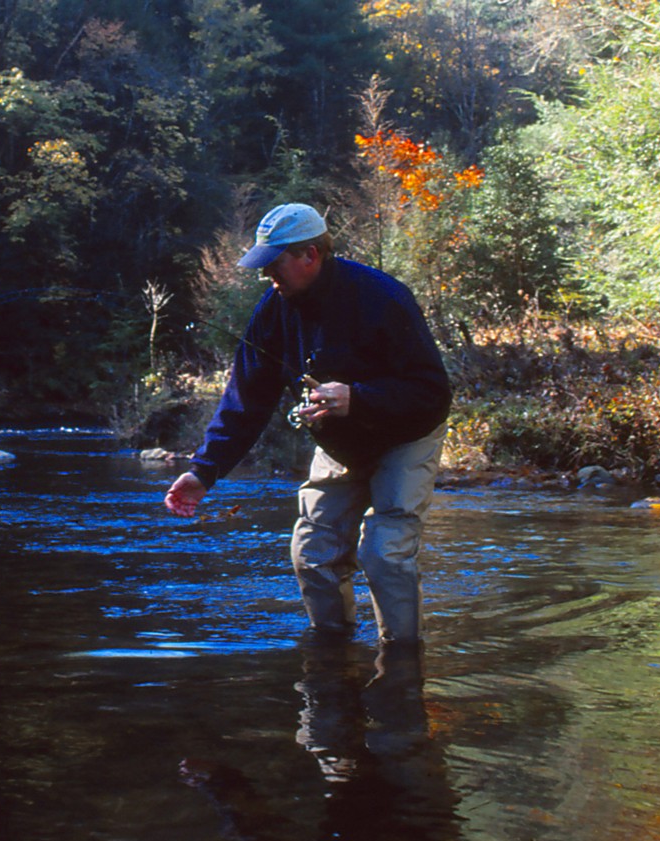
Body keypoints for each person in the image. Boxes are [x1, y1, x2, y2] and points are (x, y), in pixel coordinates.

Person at [164, 203, 451, 643]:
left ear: (310, 255)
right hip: (341, 445)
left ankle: (401, 663)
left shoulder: (383, 298)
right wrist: (204, 471)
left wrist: (360, 399)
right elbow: (245, 400)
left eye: (274, 264)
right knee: (312, 553)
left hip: (406, 436)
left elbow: (432, 394)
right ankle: (332, 658)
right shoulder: (273, 310)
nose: (267, 276)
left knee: (384, 554)